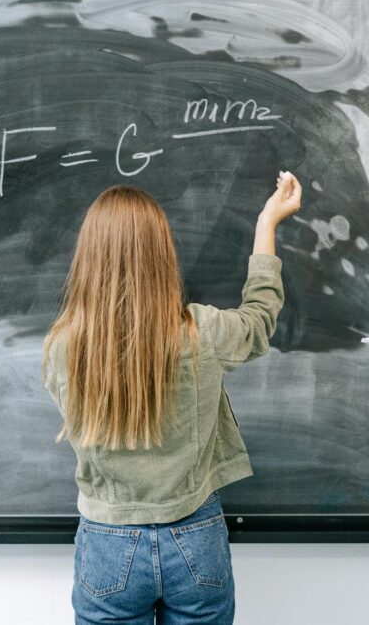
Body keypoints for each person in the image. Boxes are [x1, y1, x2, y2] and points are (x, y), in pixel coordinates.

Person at [43, 173, 302, 624]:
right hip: (195, 536)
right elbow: (260, 319)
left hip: (108, 542)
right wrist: (267, 226)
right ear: (163, 255)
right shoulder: (202, 332)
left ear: (88, 258)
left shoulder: (63, 348)